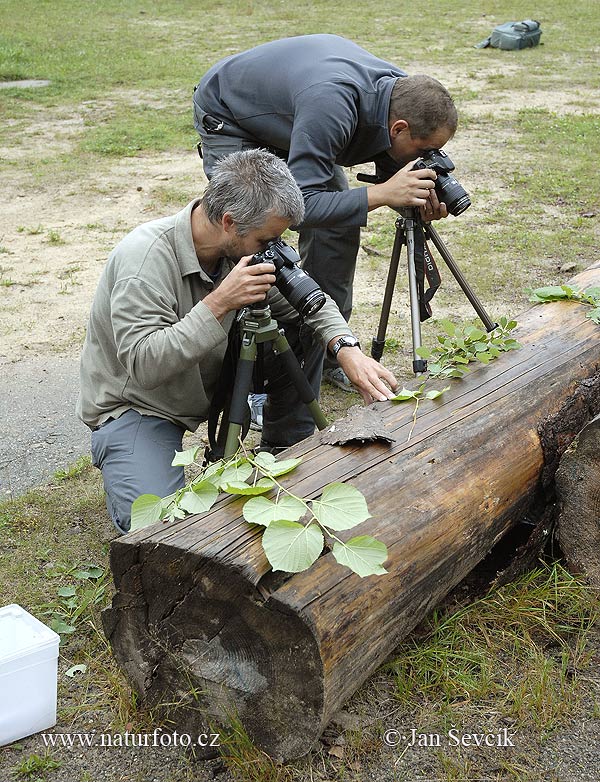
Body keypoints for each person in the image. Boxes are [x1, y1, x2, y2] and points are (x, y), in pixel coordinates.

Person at [77, 149, 398, 534]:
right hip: (139, 405)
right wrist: (219, 302)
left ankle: (285, 450)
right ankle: (122, 454)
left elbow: (309, 304)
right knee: (160, 526)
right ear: (230, 222)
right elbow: (144, 365)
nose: (278, 248)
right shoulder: (144, 261)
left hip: (206, 386)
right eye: (268, 238)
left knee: (311, 331)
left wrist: (345, 348)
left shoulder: (240, 248)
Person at [193, 34, 458, 393]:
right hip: (233, 114)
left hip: (299, 118)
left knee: (338, 224)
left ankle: (329, 350)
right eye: (423, 151)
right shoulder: (332, 105)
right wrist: (382, 193)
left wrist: (412, 195)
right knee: (249, 236)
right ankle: (252, 378)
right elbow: (300, 208)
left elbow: (371, 175)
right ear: (399, 128)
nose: (424, 159)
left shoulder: (402, 95)